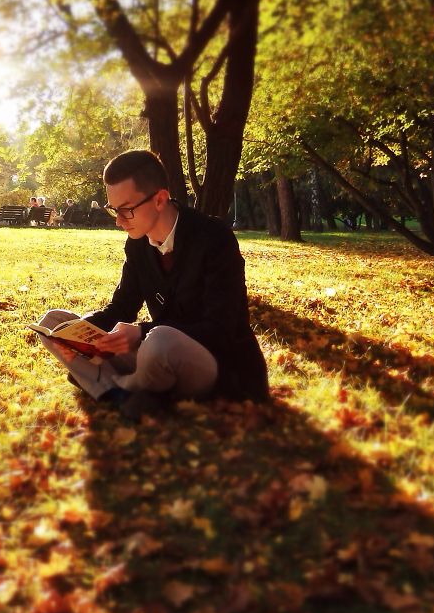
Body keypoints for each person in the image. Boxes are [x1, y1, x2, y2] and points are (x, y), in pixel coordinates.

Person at [34, 150, 268, 420]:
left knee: (160, 340)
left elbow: (221, 328)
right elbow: (121, 308)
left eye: (127, 210)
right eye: (114, 210)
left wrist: (142, 333)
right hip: (157, 355)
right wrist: (77, 335)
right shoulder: (137, 244)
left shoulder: (214, 238)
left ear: (159, 199)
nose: (119, 221)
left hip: (217, 364)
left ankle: (118, 386)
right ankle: (128, 395)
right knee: (54, 322)